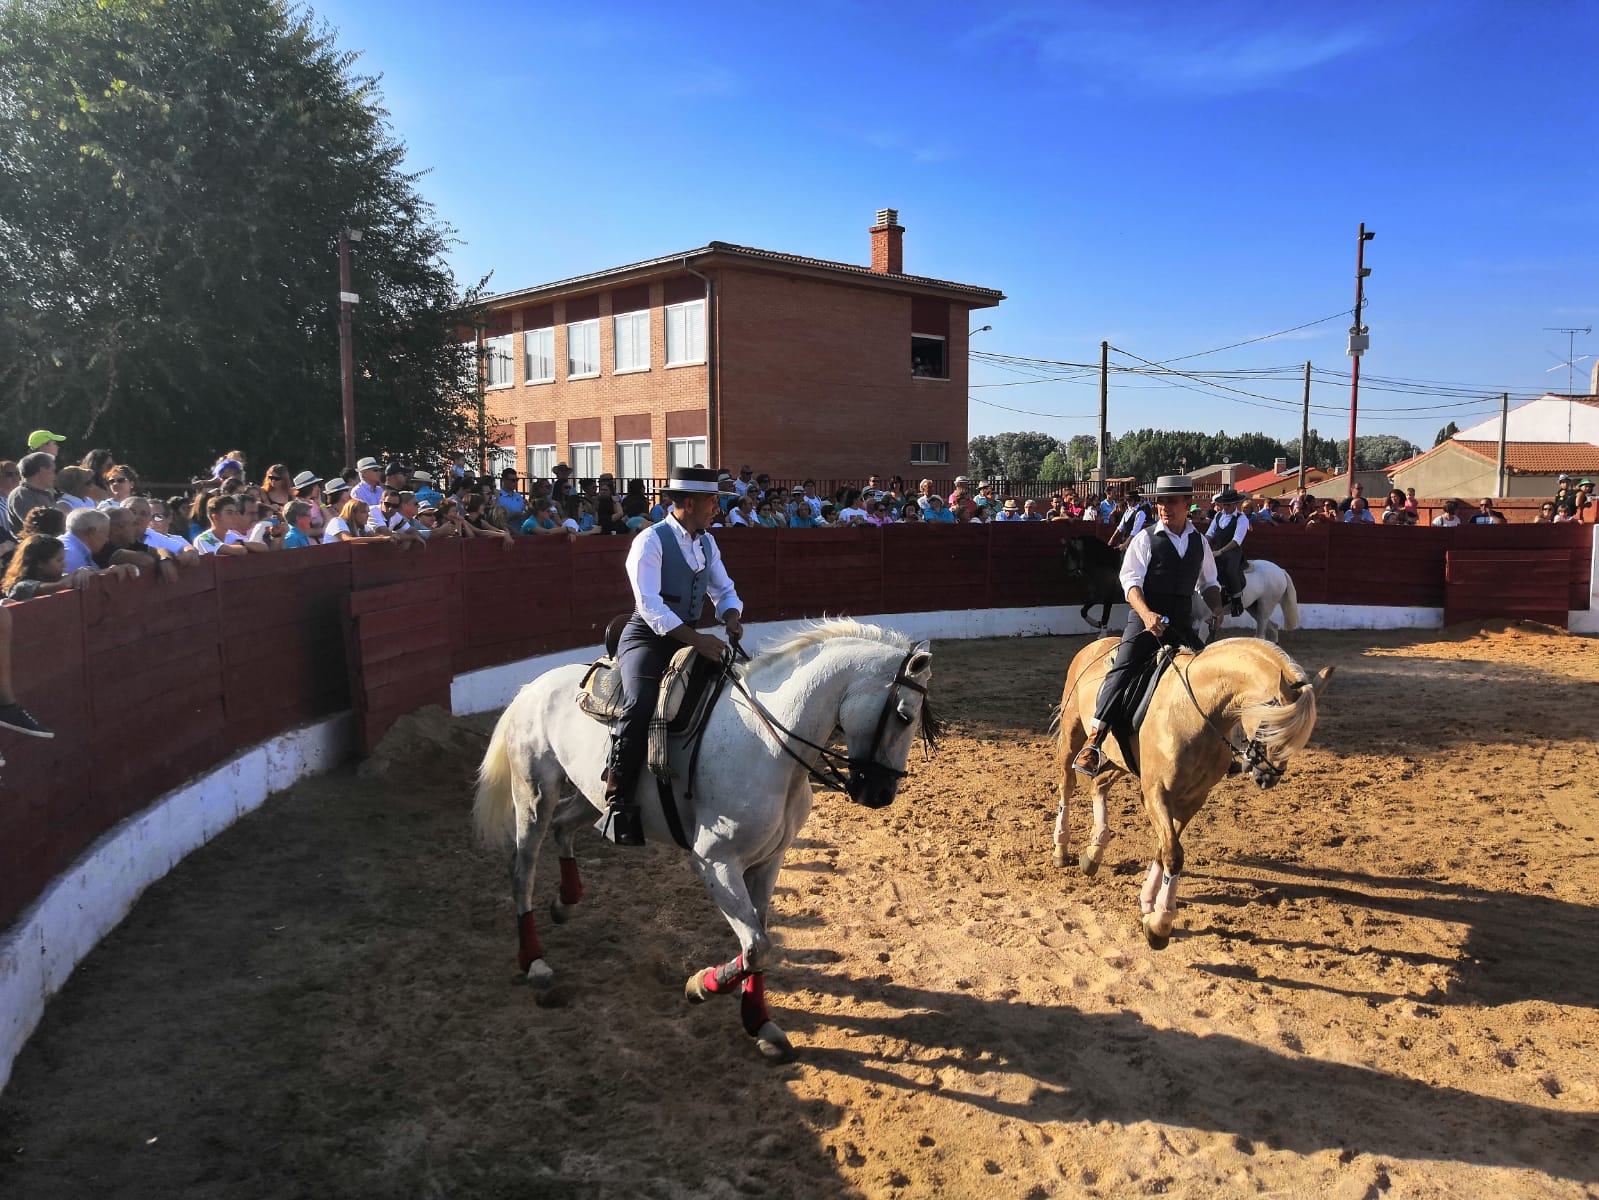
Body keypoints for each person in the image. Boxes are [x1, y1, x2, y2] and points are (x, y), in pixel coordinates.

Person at [598, 467, 743, 846]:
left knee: (733, 688)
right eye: (713, 501)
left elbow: (723, 588)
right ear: (690, 503)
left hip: (687, 637)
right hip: (647, 638)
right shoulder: (650, 541)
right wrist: (697, 641)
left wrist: (731, 615)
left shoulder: (706, 543)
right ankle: (618, 792)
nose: (717, 508)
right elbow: (650, 607)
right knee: (640, 703)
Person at [1072, 476, 1223, 777]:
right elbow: (1130, 583)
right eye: (1161, 501)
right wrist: (1146, 614)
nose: (1164, 507)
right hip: (1145, 622)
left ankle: (1219, 747)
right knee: (1122, 669)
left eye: (1171, 501)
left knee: (1212, 675)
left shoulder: (1200, 542)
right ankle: (1094, 741)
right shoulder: (1145, 538)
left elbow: (1209, 582)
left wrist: (1217, 607)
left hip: (1181, 624)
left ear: (1186, 504)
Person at [1205, 487, 1249, 616]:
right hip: (1217, 549)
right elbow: (1210, 533)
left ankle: (1237, 601)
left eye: (1228, 505)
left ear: (1235, 504)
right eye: (1223, 504)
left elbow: (1237, 540)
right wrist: (1203, 544)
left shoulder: (1242, 519)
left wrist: (1220, 551)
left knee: (1230, 570)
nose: (1225, 507)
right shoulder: (1218, 515)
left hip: (1232, 551)